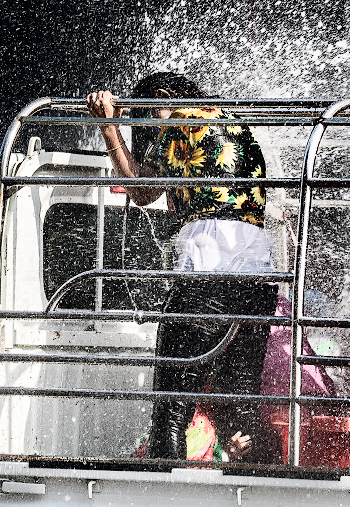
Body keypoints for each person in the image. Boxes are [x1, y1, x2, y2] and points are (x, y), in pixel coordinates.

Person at [87, 72, 276, 464]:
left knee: (171, 412)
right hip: (259, 275)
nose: (146, 126)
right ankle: (267, 481)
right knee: (236, 406)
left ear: (162, 98)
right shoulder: (231, 122)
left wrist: (109, 126)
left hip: (210, 272)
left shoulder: (180, 121)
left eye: (144, 117)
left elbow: (141, 191)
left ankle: (162, 493)